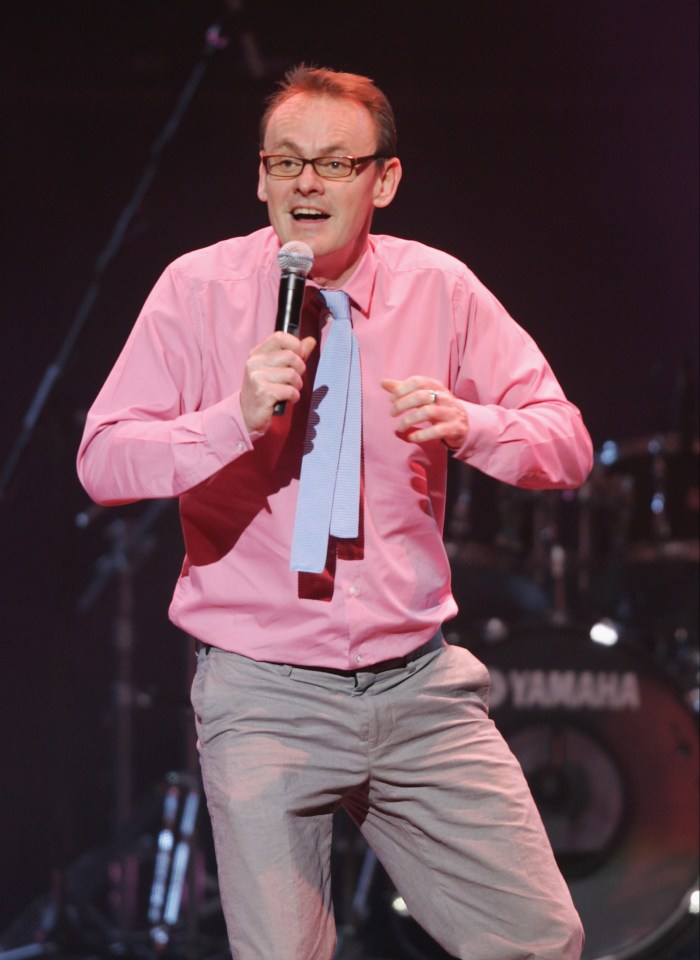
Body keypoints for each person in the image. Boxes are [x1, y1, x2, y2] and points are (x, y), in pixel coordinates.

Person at [77, 64, 592, 960]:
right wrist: (226, 423)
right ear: (262, 177)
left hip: (418, 683)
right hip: (263, 691)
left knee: (540, 942)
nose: (305, 183)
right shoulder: (197, 290)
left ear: (382, 180)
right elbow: (103, 459)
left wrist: (473, 423)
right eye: (286, 162)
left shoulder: (442, 289)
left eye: (332, 164)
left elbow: (565, 443)